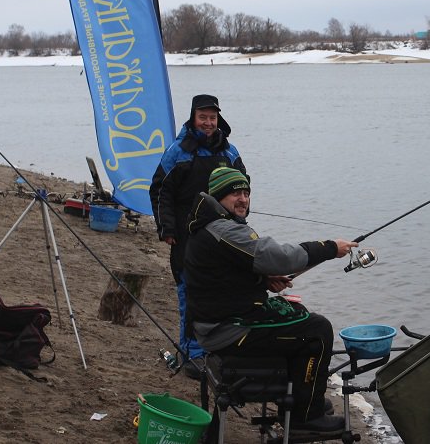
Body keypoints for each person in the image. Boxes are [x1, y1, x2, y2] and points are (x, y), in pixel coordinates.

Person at [184, 167, 357, 433]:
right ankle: (306, 417)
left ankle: (303, 399)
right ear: (218, 197)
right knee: (318, 330)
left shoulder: (210, 225)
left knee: (297, 312)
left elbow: (222, 276)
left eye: (246, 193)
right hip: (228, 330)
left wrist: (261, 281)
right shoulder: (224, 230)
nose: (242, 199)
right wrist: (329, 248)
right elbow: (279, 256)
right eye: (234, 193)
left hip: (215, 323)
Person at [149, 94, 248, 375]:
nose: (208, 122)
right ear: (193, 117)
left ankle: (219, 351)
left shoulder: (229, 152)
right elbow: (159, 191)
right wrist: (166, 228)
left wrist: (241, 221)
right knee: (190, 295)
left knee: (225, 292)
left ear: (218, 120)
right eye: (203, 117)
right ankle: (192, 355)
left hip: (224, 236)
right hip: (186, 236)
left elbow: (243, 188)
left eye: (212, 118)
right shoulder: (177, 151)